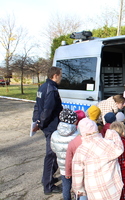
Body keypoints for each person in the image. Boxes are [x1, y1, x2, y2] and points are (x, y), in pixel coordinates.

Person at [72, 118, 124, 200]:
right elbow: (119, 149)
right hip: (112, 188)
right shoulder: (108, 143)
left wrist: (79, 190)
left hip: (94, 190)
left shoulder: (80, 151)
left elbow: (77, 174)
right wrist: (112, 132)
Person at [32, 66, 63, 195]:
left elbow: (37, 106)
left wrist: (36, 121)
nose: (61, 78)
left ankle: (48, 178)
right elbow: (47, 110)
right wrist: (42, 123)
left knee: (54, 154)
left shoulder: (43, 87)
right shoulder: (51, 89)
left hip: (47, 126)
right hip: (51, 127)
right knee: (51, 155)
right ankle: (48, 186)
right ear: (55, 76)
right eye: (60, 75)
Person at [51, 108, 79, 200]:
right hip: (76, 166)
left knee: (66, 187)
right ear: (74, 121)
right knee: (78, 186)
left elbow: (54, 149)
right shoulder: (78, 134)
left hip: (63, 167)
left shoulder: (54, 134)